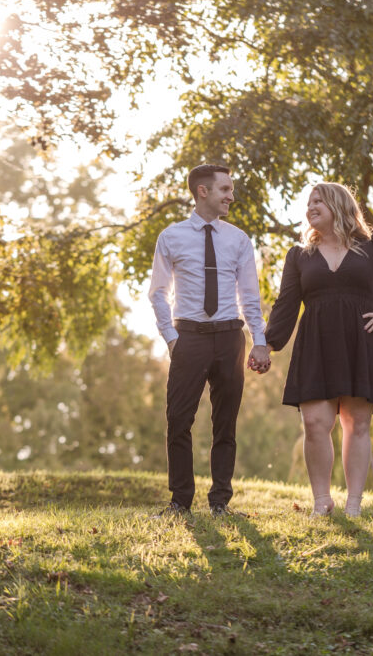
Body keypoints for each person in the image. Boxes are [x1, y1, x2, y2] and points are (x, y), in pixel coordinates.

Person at [263, 182, 373, 517]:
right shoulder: (299, 256)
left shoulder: (371, 249)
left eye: (318, 200)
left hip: (360, 342)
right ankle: (322, 501)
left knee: (357, 424)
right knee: (315, 423)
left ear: (339, 205)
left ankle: (353, 503)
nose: (311, 207)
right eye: (308, 203)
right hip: (316, 345)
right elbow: (286, 305)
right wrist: (266, 343)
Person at [148, 164, 272, 517]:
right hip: (188, 338)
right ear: (203, 192)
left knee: (225, 423)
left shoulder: (238, 239)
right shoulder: (171, 237)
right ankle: (179, 502)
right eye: (225, 189)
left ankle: (220, 502)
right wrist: (172, 339)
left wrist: (259, 341)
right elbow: (158, 293)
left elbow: (250, 296)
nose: (231, 196)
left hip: (230, 338)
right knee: (178, 420)